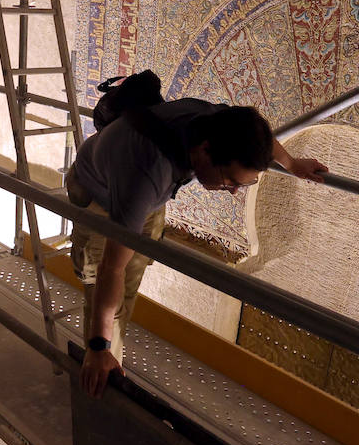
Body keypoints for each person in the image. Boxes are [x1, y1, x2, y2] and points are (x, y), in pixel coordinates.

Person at [66, 94, 326, 398]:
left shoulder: (219, 123)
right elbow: (111, 268)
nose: (232, 192)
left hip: (139, 192)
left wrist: (292, 164)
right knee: (103, 283)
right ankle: (99, 372)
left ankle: (110, 347)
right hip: (99, 193)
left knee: (127, 282)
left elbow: (261, 138)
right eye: (230, 180)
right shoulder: (147, 176)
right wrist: (99, 345)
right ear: (205, 151)